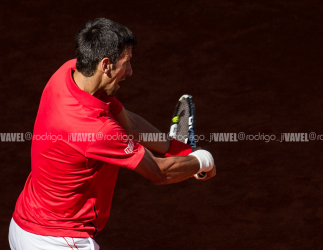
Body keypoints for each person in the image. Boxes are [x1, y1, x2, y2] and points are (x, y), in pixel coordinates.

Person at [8, 18, 216, 250]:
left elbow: (131, 125)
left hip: (23, 225)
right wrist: (202, 160)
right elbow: (158, 172)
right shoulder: (97, 130)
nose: (130, 71)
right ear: (105, 65)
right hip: (57, 240)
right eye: (126, 63)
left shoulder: (67, 74)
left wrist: (182, 150)